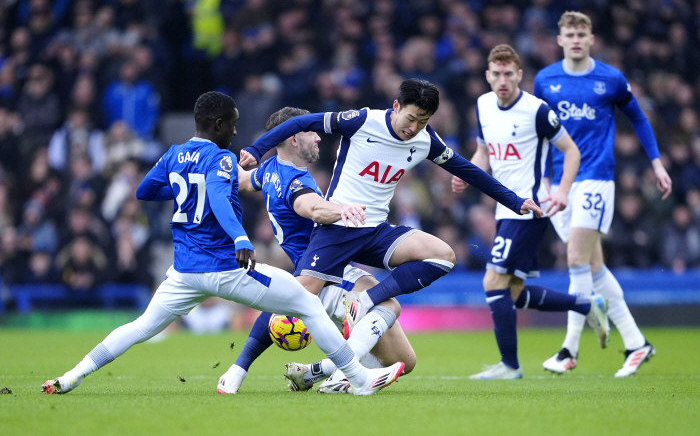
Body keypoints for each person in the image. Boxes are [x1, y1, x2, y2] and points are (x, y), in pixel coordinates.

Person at [41, 92, 404, 396]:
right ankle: (359, 378)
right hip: (225, 268)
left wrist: (186, 188)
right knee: (308, 304)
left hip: (183, 272)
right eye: (232, 124)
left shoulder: (174, 154)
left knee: (139, 327)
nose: (235, 131)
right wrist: (241, 237)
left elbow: (144, 190)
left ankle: (72, 376)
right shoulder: (222, 159)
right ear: (218, 125)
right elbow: (216, 196)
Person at [239, 79, 544, 365]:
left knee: (443, 256)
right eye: (411, 118)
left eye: (423, 121)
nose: (414, 128)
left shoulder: (425, 141)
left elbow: (468, 171)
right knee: (299, 295)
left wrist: (514, 201)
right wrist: (255, 150)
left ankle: (364, 302)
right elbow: (298, 122)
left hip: (375, 231)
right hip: (337, 229)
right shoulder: (361, 121)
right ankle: (240, 367)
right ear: (396, 107)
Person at [219, 107, 416, 395]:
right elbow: (309, 207)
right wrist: (341, 209)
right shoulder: (297, 181)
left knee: (404, 361)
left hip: (309, 271)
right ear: (294, 139)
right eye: (312, 132)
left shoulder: (269, 169)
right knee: (388, 303)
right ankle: (343, 378)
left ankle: (304, 372)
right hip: (328, 271)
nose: (319, 138)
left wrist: (216, 158)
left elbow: (243, 181)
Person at [452, 44, 609, 380]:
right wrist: (466, 176)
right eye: (497, 73)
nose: (503, 79)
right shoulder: (482, 105)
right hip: (504, 209)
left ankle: (510, 366)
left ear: (520, 75)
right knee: (512, 292)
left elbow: (571, 151)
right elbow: (484, 152)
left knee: (492, 280)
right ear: (488, 76)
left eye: (509, 73)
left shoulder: (537, 111)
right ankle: (585, 305)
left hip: (530, 208)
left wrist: (562, 190)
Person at [533, 11, 672, 377]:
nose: (576, 39)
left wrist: (656, 163)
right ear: (559, 40)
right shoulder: (546, 80)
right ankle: (637, 343)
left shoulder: (610, 79)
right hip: (561, 183)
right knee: (594, 268)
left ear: (591, 38)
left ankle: (569, 350)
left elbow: (639, 118)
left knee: (575, 258)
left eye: (582, 33)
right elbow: (541, 134)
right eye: (569, 34)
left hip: (596, 178)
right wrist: (544, 180)